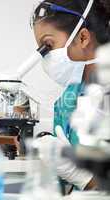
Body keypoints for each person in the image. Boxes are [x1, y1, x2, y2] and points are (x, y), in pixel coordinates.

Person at [31, 0, 110, 191]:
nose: (45, 57)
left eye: (48, 46)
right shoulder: (70, 95)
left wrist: (80, 175)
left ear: (83, 38)